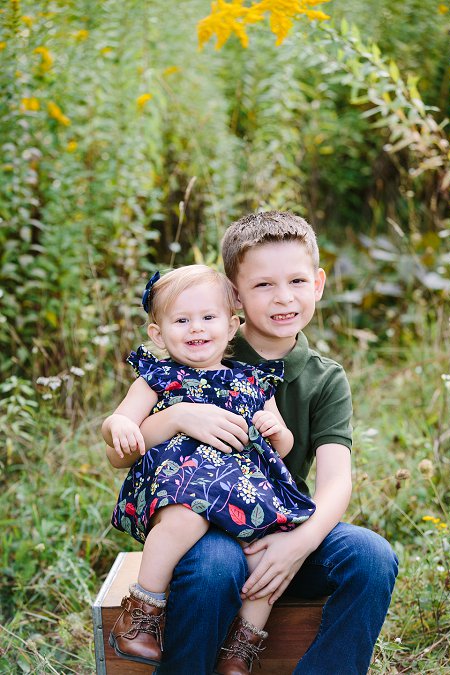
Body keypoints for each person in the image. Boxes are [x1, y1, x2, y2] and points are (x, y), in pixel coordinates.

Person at [135, 211, 398, 674]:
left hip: (279, 525)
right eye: (262, 285)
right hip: (205, 529)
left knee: (372, 557)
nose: (284, 298)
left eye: (297, 280)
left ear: (318, 283)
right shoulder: (202, 348)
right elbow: (123, 449)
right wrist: (179, 415)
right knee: (216, 566)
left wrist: (298, 543)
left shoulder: (325, 378)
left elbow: (337, 482)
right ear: (235, 295)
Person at [102, 265, 317, 672]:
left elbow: (282, 445)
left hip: (244, 494)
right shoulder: (157, 378)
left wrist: (276, 430)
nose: (196, 328)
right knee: (186, 520)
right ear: (157, 334)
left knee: (265, 552)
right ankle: (142, 612)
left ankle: (242, 646)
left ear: (232, 325)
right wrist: (119, 426)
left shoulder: (252, 380)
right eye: (181, 320)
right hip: (179, 487)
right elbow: (118, 426)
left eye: (208, 317)